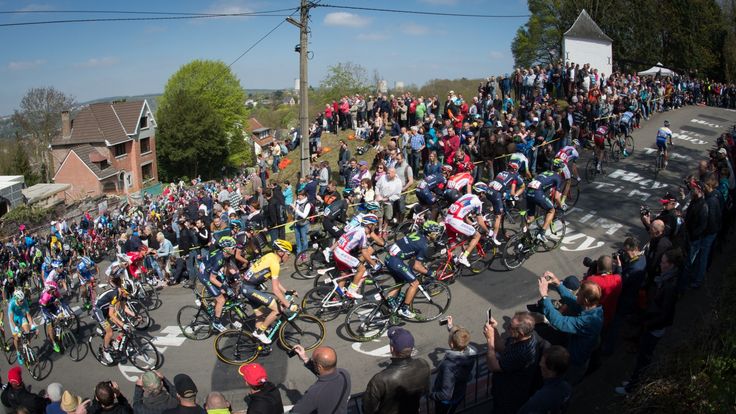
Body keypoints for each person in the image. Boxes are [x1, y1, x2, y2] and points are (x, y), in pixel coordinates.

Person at [616, 249, 682, 395]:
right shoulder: (667, 279)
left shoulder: (669, 286)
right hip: (652, 323)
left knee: (643, 358)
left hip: (654, 328)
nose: (660, 264)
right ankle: (633, 381)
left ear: (671, 265)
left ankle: (632, 387)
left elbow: (665, 314)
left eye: (663, 262)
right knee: (642, 357)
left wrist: (647, 324)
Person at [538, 273, 603, 385]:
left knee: (565, 384)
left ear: (586, 301)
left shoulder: (588, 321)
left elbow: (560, 322)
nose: (576, 296)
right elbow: (573, 301)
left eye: (579, 295)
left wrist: (545, 296)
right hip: (577, 354)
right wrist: (558, 284)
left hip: (575, 363)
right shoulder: (594, 309)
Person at [484, 311, 543, 413]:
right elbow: (502, 347)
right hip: (501, 390)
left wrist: (489, 340)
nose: (507, 328)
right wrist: (494, 330)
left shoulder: (522, 352)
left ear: (521, 333)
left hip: (509, 396)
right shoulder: (520, 337)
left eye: (510, 327)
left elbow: (494, 366)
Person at [362, 327, 430, 414]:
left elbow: (367, 408)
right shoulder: (423, 364)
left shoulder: (380, 379)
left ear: (392, 349)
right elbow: (425, 390)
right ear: (412, 348)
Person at [383, 221, 443, 319]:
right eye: (436, 232)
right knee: (415, 283)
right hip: (395, 261)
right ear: (430, 233)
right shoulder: (424, 245)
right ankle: (404, 310)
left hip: (389, 258)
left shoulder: (417, 233)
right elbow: (416, 266)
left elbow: (412, 253)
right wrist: (430, 273)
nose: (437, 235)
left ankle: (386, 302)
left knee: (400, 282)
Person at [240, 239, 295, 344]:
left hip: (248, 287)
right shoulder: (275, 264)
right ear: (281, 252)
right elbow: (275, 289)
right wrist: (288, 305)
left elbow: (274, 280)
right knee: (277, 310)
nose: (289, 256)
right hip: (250, 288)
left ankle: (258, 344)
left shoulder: (270, 256)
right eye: (288, 253)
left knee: (260, 314)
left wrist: (286, 291)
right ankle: (259, 332)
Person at [429, 317, 477, 414]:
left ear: (451, 343)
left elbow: (445, 395)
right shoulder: (470, 353)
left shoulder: (449, 365)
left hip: (445, 401)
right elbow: (460, 338)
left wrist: (431, 395)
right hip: (459, 393)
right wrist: (451, 327)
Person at [291, 345, 352, 414]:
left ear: (319, 367)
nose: (312, 361)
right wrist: (305, 359)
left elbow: (295, 412)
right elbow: (325, 373)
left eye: (313, 361)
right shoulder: (344, 374)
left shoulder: (314, 393)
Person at [444, 186, 490, 268]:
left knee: (453, 243)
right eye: (484, 193)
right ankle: (464, 257)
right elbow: (480, 221)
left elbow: (464, 216)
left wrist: (471, 224)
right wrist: (488, 231)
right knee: (477, 236)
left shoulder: (467, 196)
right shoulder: (478, 202)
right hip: (455, 221)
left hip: (447, 219)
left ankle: (453, 261)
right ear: (481, 193)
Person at [199, 237, 239, 332]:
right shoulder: (219, 259)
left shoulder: (226, 254)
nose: (235, 249)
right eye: (233, 247)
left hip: (210, 271)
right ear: (226, 249)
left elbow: (228, 266)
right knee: (221, 299)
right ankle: (216, 323)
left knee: (225, 291)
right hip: (204, 275)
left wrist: (237, 275)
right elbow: (212, 279)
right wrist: (224, 286)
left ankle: (214, 306)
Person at [517, 346, 573, 414]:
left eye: (543, 363)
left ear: (551, 370)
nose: (540, 364)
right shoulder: (567, 388)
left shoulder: (539, 399)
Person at [525, 161, 566, 243]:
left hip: (528, 192)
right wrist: (561, 206)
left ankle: (525, 237)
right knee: (551, 210)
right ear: (560, 170)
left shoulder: (545, 172)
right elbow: (557, 197)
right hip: (537, 193)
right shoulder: (558, 177)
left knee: (531, 218)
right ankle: (542, 233)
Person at [7, 289, 37, 365]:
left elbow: (28, 315)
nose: (22, 302)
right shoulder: (12, 304)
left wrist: (31, 324)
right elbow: (11, 319)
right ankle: (18, 353)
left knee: (27, 332)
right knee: (17, 338)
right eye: (21, 301)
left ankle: (27, 349)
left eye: (23, 300)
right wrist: (16, 328)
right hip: (13, 318)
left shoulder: (24, 301)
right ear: (16, 299)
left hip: (20, 315)